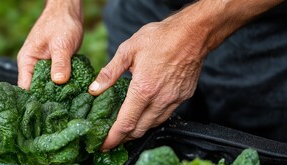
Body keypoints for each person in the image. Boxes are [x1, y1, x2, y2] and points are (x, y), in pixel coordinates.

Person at [17, 0, 287, 152]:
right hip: (141, 9)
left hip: (261, 30)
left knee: (247, 150)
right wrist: (62, 7)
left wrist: (196, 32)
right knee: (135, 129)